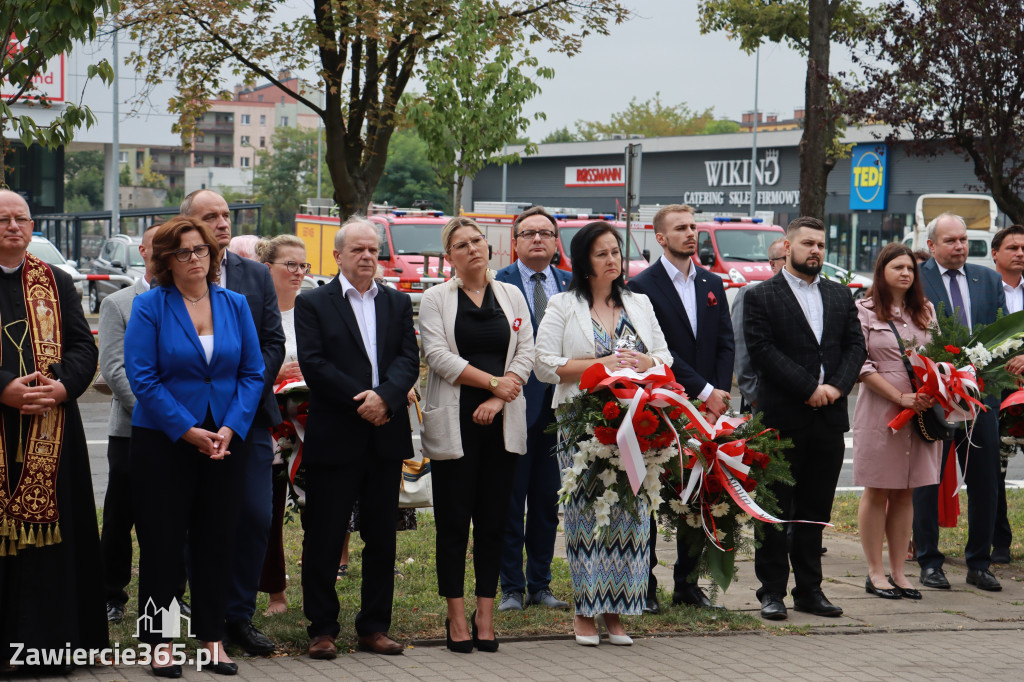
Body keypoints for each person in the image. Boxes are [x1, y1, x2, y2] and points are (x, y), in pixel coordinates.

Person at [125, 216, 265, 676]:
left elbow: (251, 373)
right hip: (165, 440)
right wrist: (188, 430)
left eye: (201, 250)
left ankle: (212, 640)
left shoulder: (236, 304)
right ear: (166, 259)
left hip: (225, 440)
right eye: (183, 252)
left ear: (213, 254)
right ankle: (159, 644)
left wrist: (230, 427)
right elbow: (142, 378)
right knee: (163, 544)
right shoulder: (150, 306)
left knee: (217, 540)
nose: (194, 259)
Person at [535, 221, 672, 646]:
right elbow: (543, 364)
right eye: (602, 253)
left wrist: (641, 363)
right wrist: (601, 365)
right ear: (584, 261)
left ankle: (617, 613)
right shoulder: (562, 304)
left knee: (629, 518)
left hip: (635, 423)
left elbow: (665, 360)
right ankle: (584, 612)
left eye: (616, 251)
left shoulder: (639, 302)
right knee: (584, 517)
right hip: (580, 423)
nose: (612, 259)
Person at [296, 217, 418, 659]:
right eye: (358, 250)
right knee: (325, 535)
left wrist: (384, 398)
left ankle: (373, 627)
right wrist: (361, 401)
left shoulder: (397, 303)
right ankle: (322, 629)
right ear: (338, 255)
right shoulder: (314, 303)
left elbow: (408, 358)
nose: (367, 257)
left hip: (385, 434)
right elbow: (314, 364)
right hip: (337, 434)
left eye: (373, 250)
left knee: (382, 537)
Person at [0, 190, 105, 672]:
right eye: (3, 219)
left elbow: (85, 348)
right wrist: (4, 389)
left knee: (54, 542)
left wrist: (62, 387)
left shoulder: (56, 282)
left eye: (21, 218)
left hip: (52, 430)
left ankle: (52, 647)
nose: (13, 227)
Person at [419, 217, 535, 653]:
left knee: (495, 522)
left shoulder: (512, 294)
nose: (472, 249)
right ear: (449, 257)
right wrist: (491, 385)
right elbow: (437, 355)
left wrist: (501, 398)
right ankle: (455, 616)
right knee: (453, 523)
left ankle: (485, 614)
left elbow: (527, 351)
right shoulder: (436, 298)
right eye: (461, 245)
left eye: (477, 241)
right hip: (455, 424)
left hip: (502, 423)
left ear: (490, 247)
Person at [744, 216, 866, 621]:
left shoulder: (839, 295)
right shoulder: (762, 295)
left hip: (828, 420)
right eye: (808, 243)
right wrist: (808, 388)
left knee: (816, 511)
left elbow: (854, 345)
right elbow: (762, 350)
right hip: (782, 419)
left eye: (821, 244)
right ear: (787, 246)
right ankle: (772, 591)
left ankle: (810, 591)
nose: (815, 250)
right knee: (774, 510)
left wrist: (835, 388)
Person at [181, 189, 284, 655]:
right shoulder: (175, 273)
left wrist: (240, 401)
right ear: (189, 225)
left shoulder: (256, 276)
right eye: (211, 217)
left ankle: (238, 615)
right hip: (192, 424)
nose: (223, 224)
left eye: (226, 215)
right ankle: (203, 614)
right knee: (196, 518)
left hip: (249, 419)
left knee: (255, 517)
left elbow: (272, 344)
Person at [628, 203, 734, 613]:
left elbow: (725, 341)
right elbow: (661, 350)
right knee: (656, 494)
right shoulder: (641, 287)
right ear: (659, 238)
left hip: (709, 407)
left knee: (699, 493)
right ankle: (646, 585)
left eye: (693, 227)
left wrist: (718, 396)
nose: (691, 234)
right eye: (681, 228)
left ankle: (688, 583)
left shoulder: (711, 281)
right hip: (665, 402)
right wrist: (704, 390)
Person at [99, 223, 189, 624]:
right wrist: (163, 416)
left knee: (175, 518)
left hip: (187, 430)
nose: (165, 253)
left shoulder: (193, 300)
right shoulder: (119, 303)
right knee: (121, 516)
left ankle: (173, 596)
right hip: (133, 431)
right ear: (143, 251)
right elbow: (117, 371)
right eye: (159, 246)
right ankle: (110, 594)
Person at [913, 213, 1006, 592]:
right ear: (932, 245)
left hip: (981, 396)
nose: (960, 247)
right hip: (936, 396)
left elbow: (1004, 328)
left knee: (984, 479)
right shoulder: (917, 279)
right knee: (928, 480)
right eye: (951, 241)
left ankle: (979, 563)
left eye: (964, 240)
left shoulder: (989, 279)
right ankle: (929, 562)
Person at [494, 207, 572, 614]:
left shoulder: (573, 286)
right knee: (511, 500)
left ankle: (540, 584)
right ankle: (511, 587)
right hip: (515, 404)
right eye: (529, 233)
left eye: (546, 233)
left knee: (546, 501)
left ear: (557, 242)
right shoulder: (498, 284)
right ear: (516, 242)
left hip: (562, 410)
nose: (538, 239)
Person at [852, 243, 940, 601]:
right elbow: (860, 365)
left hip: (922, 411)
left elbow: (940, 355)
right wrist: (899, 397)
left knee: (906, 491)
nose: (905, 273)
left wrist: (938, 389)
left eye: (910, 268)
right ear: (881, 272)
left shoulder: (926, 311)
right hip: (881, 411)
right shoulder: (864, 311)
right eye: (897, 267)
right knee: (878, 489)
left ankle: (900, 573)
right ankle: (875, 572)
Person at [253, 235, 310, 615]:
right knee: (268, 512)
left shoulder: (313, 311)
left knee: (317, 511)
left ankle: (318, 590)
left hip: (312, 423)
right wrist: (276, 377)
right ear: (266, 268)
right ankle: (276, 592)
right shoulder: (253, 312)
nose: (299, 272)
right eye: (290, 264)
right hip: (269, 422)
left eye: (303, 265)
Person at [990, 224, 1024, 565]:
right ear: (995, 253)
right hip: (996, 392)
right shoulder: (985, 288)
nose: (1020, 253)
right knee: (994, 472)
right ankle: (1000, 541)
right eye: (1013, 247)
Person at [733, 238, 786, 413]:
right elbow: (741, 350)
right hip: (762, 401)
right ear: (773, 265)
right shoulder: (750, 294)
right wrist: (754, 397)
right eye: (786, 258)